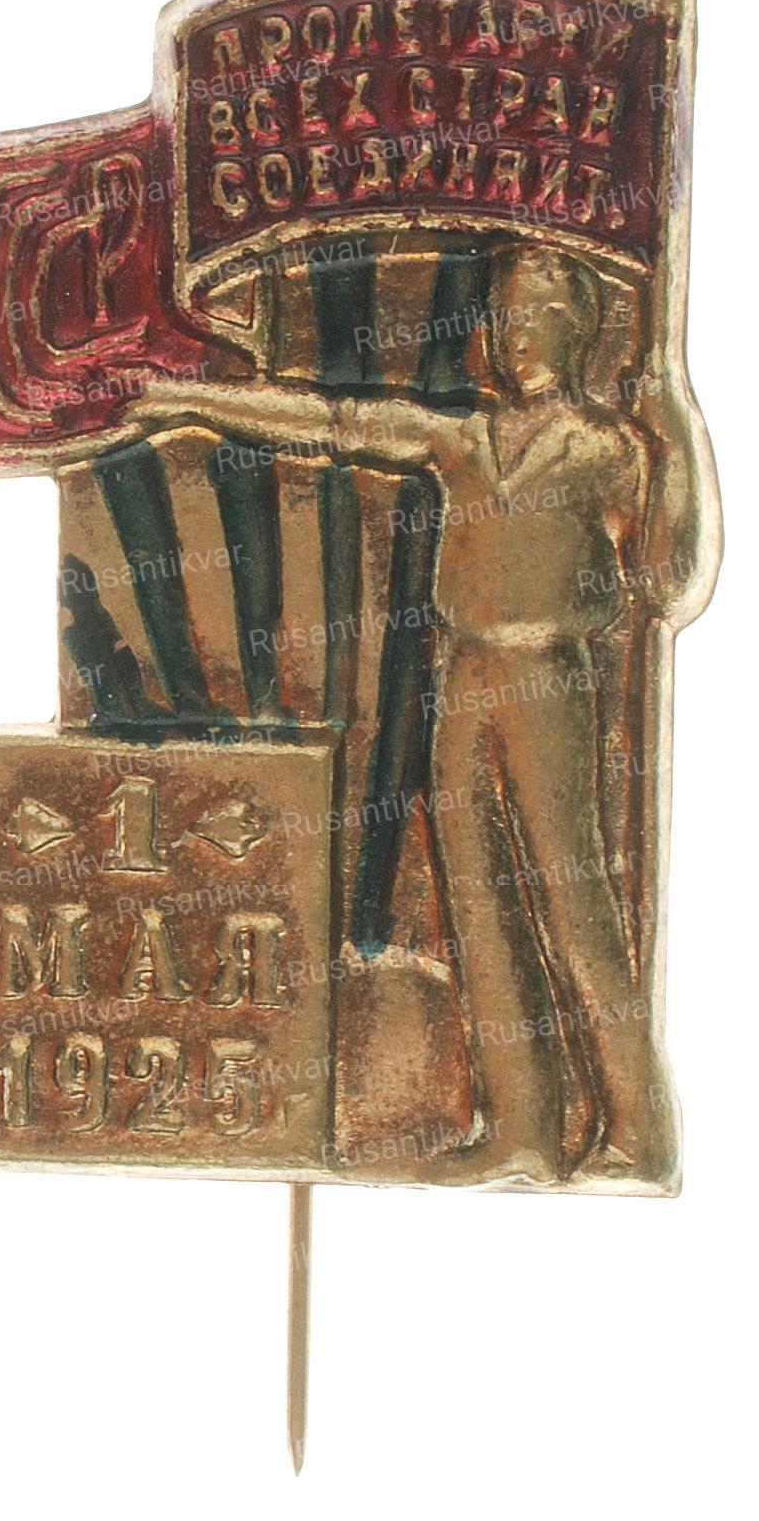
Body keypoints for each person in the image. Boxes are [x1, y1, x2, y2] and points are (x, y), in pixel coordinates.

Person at [126, 243, 676, 1185]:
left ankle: (637, 1127)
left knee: (573, 899)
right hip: (465, 676)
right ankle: (523, 1130)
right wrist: (194, 402)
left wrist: (679, 424)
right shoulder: (463, 439)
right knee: (477, 901)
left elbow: (673, 574)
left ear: (580, 332)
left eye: (542, 318)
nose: (519, 336)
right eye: (507, 317)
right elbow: (336, 422)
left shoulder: (607, 447)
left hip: (549, 677)